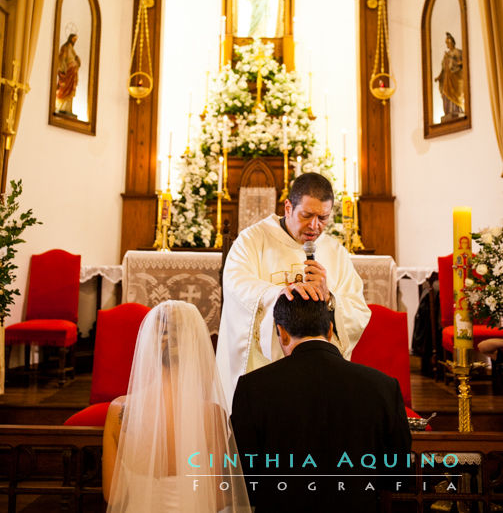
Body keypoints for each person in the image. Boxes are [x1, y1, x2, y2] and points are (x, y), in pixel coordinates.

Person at [231, 292, 412, 512]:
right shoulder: (383, 386)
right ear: (329, 331)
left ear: (282, 333)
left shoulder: (252, 387)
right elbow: (398, 472)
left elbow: (243, 476)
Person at [216, 172, 370, 408]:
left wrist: (330, 297)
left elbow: (358, 310)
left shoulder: (334, 251)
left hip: (318, 377)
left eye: (323, 217)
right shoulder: (253, 241)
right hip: (265, 375)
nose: (315, 226)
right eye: (307, 215)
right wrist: (276, 294)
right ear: (288, 207)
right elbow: (237, 284)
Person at [102, 300, 251, 513]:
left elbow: (112, 494)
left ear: (148, 347)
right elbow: (217, 499)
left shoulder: (119, 411)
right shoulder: (213, 416)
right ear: (195, 348)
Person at [435, 31, 464, 121]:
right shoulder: (446, 55)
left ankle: (457, 109)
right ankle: (448, 111)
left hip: (455, 78)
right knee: (446, 94)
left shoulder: (458, 52)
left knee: (455, 96)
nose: (448, 44)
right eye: (447, 43)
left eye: (449, 42)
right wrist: (439, 77)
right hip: (447, 78)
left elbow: (461, 64)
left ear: (453, 42)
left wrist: (451, 58)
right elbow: (443, 69)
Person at [56, 33, 81, 115]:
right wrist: (63, 69)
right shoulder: (65, 47)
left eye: (75, 40)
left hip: (72, 73)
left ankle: (68, 109)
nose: (74, 41)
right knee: (64, 89)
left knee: (70, 92)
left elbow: (75, 59)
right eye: (74, 39)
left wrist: (77, 61)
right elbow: (62, 59)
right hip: (67, 72)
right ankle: (61, 107)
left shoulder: (72, 49)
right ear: (70, 38)